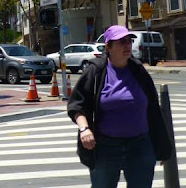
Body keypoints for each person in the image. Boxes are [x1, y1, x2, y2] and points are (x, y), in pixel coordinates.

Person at [67, 25, 172, 188]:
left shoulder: (138, 70)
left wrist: (162, 147)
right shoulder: (96, 71)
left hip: (140, 145)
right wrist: (84, 129)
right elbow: (77, 104)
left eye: (129, 41)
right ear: (108, 47)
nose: (127, 45)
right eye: (121, 42)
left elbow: (153, 111)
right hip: (106, 147)